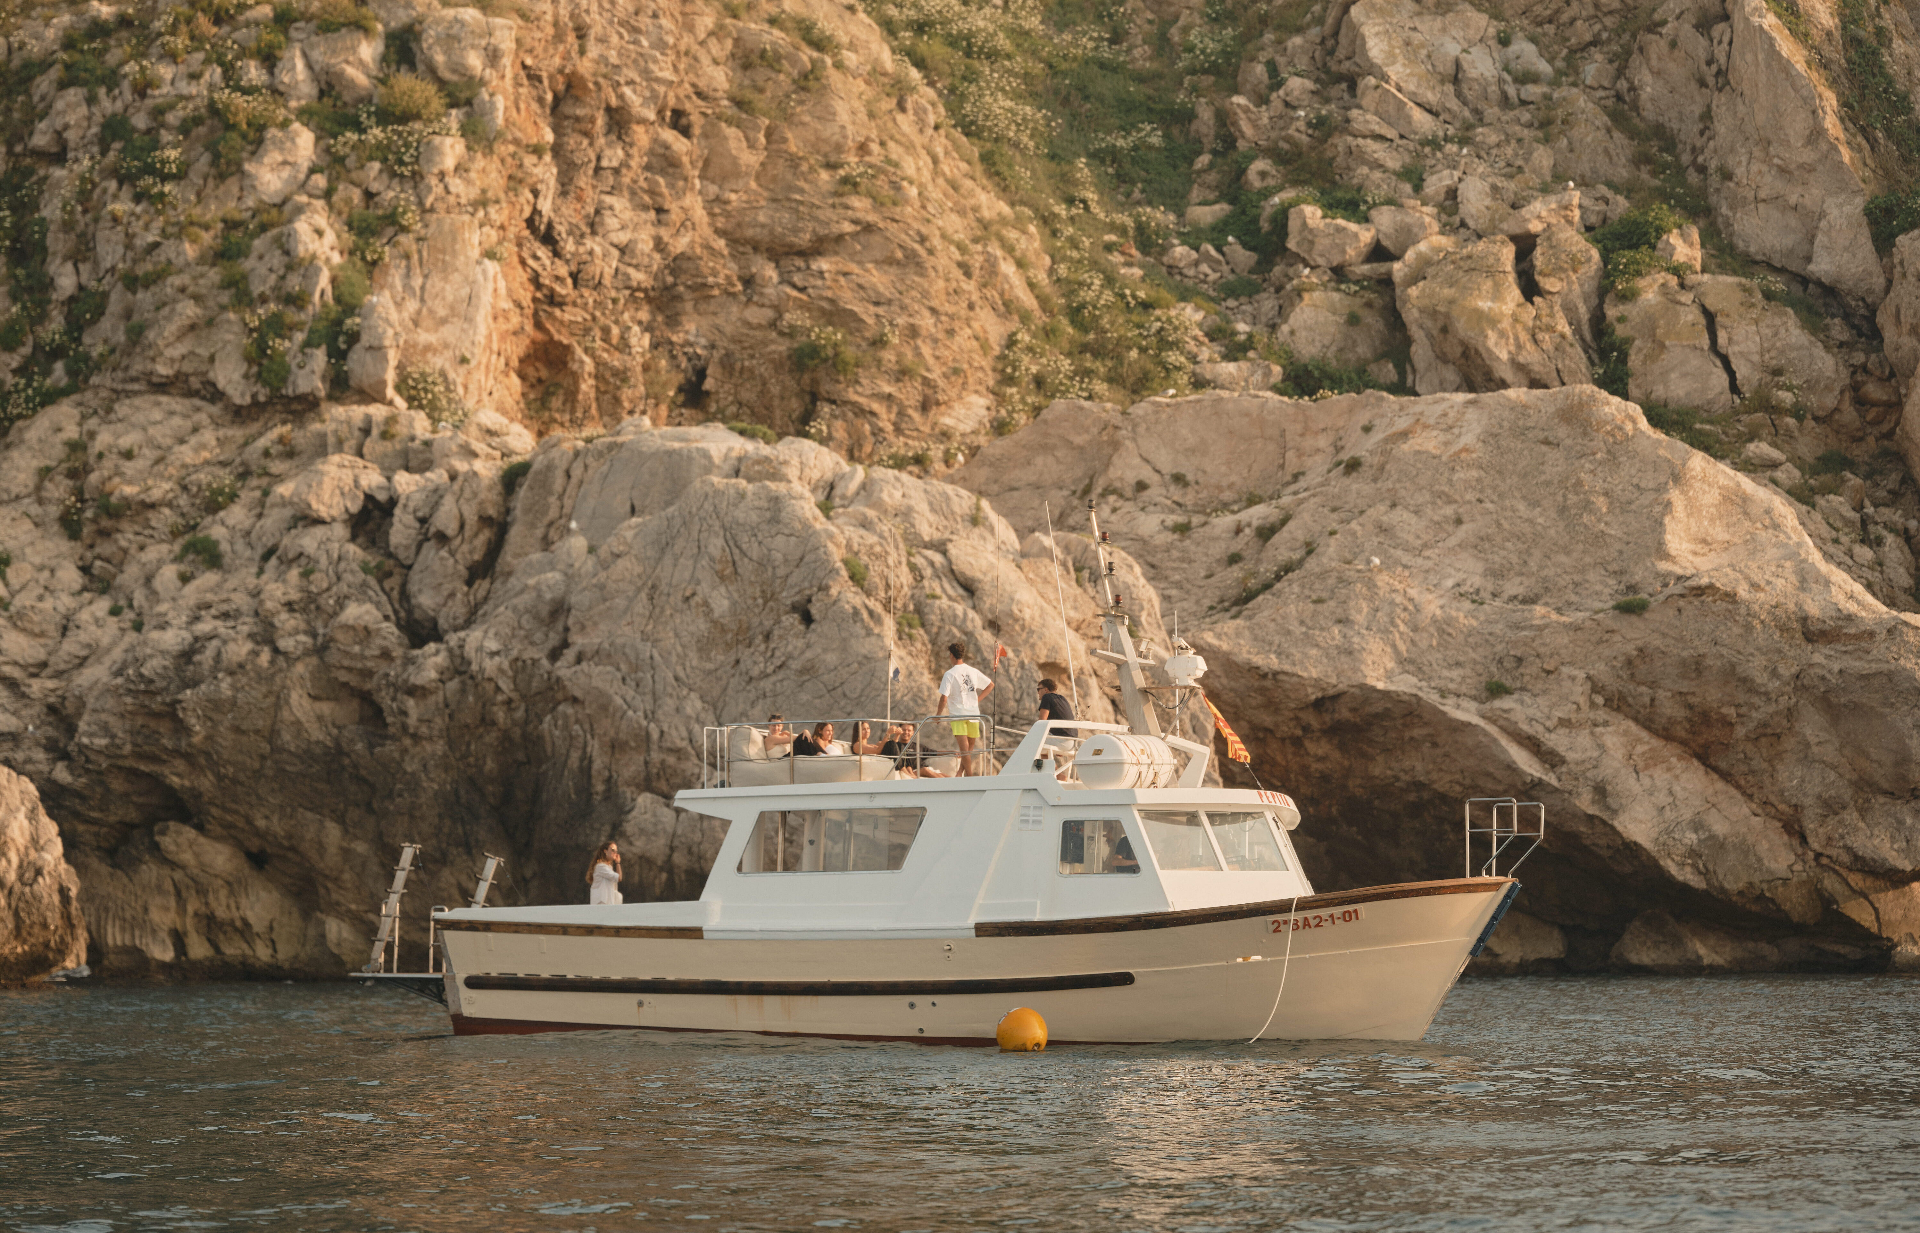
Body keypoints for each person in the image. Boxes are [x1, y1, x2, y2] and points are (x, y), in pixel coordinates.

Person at [936, 642, 994, 775]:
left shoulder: (949, 674)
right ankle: (960, 772)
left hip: (958, 715)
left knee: (965, 751)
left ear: (951, 655)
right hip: (974, 714)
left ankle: (969, 777)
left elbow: (943, 698)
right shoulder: (972, 671)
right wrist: (977, 700)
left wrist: (938, 715)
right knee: (968, 750)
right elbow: (990, 685)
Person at [881, 722, 946, 777]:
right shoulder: (895, 746)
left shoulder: (918, 746)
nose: (906, 732)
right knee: (925, 770)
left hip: (925, 768)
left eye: (909, 731)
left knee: (945, 776)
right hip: (915, 770)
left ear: (912, 732)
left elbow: (934, 753)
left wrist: (952, 752)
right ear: (899, 730)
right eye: (904, 730)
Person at [587, 841, 622, 905]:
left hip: (608, 904)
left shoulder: (608, 867)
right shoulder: (601, 867)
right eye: (612, 850)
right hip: (601, 903)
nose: (615, 853)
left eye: (616, 851)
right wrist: (618, 863)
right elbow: (619, 878)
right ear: (605, 851)